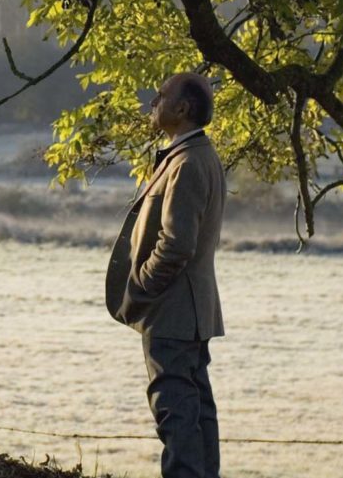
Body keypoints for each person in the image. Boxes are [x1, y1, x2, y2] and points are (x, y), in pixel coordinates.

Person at [105, 71, 227, 478]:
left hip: (173, 310)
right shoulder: (192, 155)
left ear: (183, 108)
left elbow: (176, 244)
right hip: (188, 309)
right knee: (195, 415)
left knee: (175, 414)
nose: (152, 104)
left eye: (160, 97)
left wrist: (140, 289)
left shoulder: (189, 161)